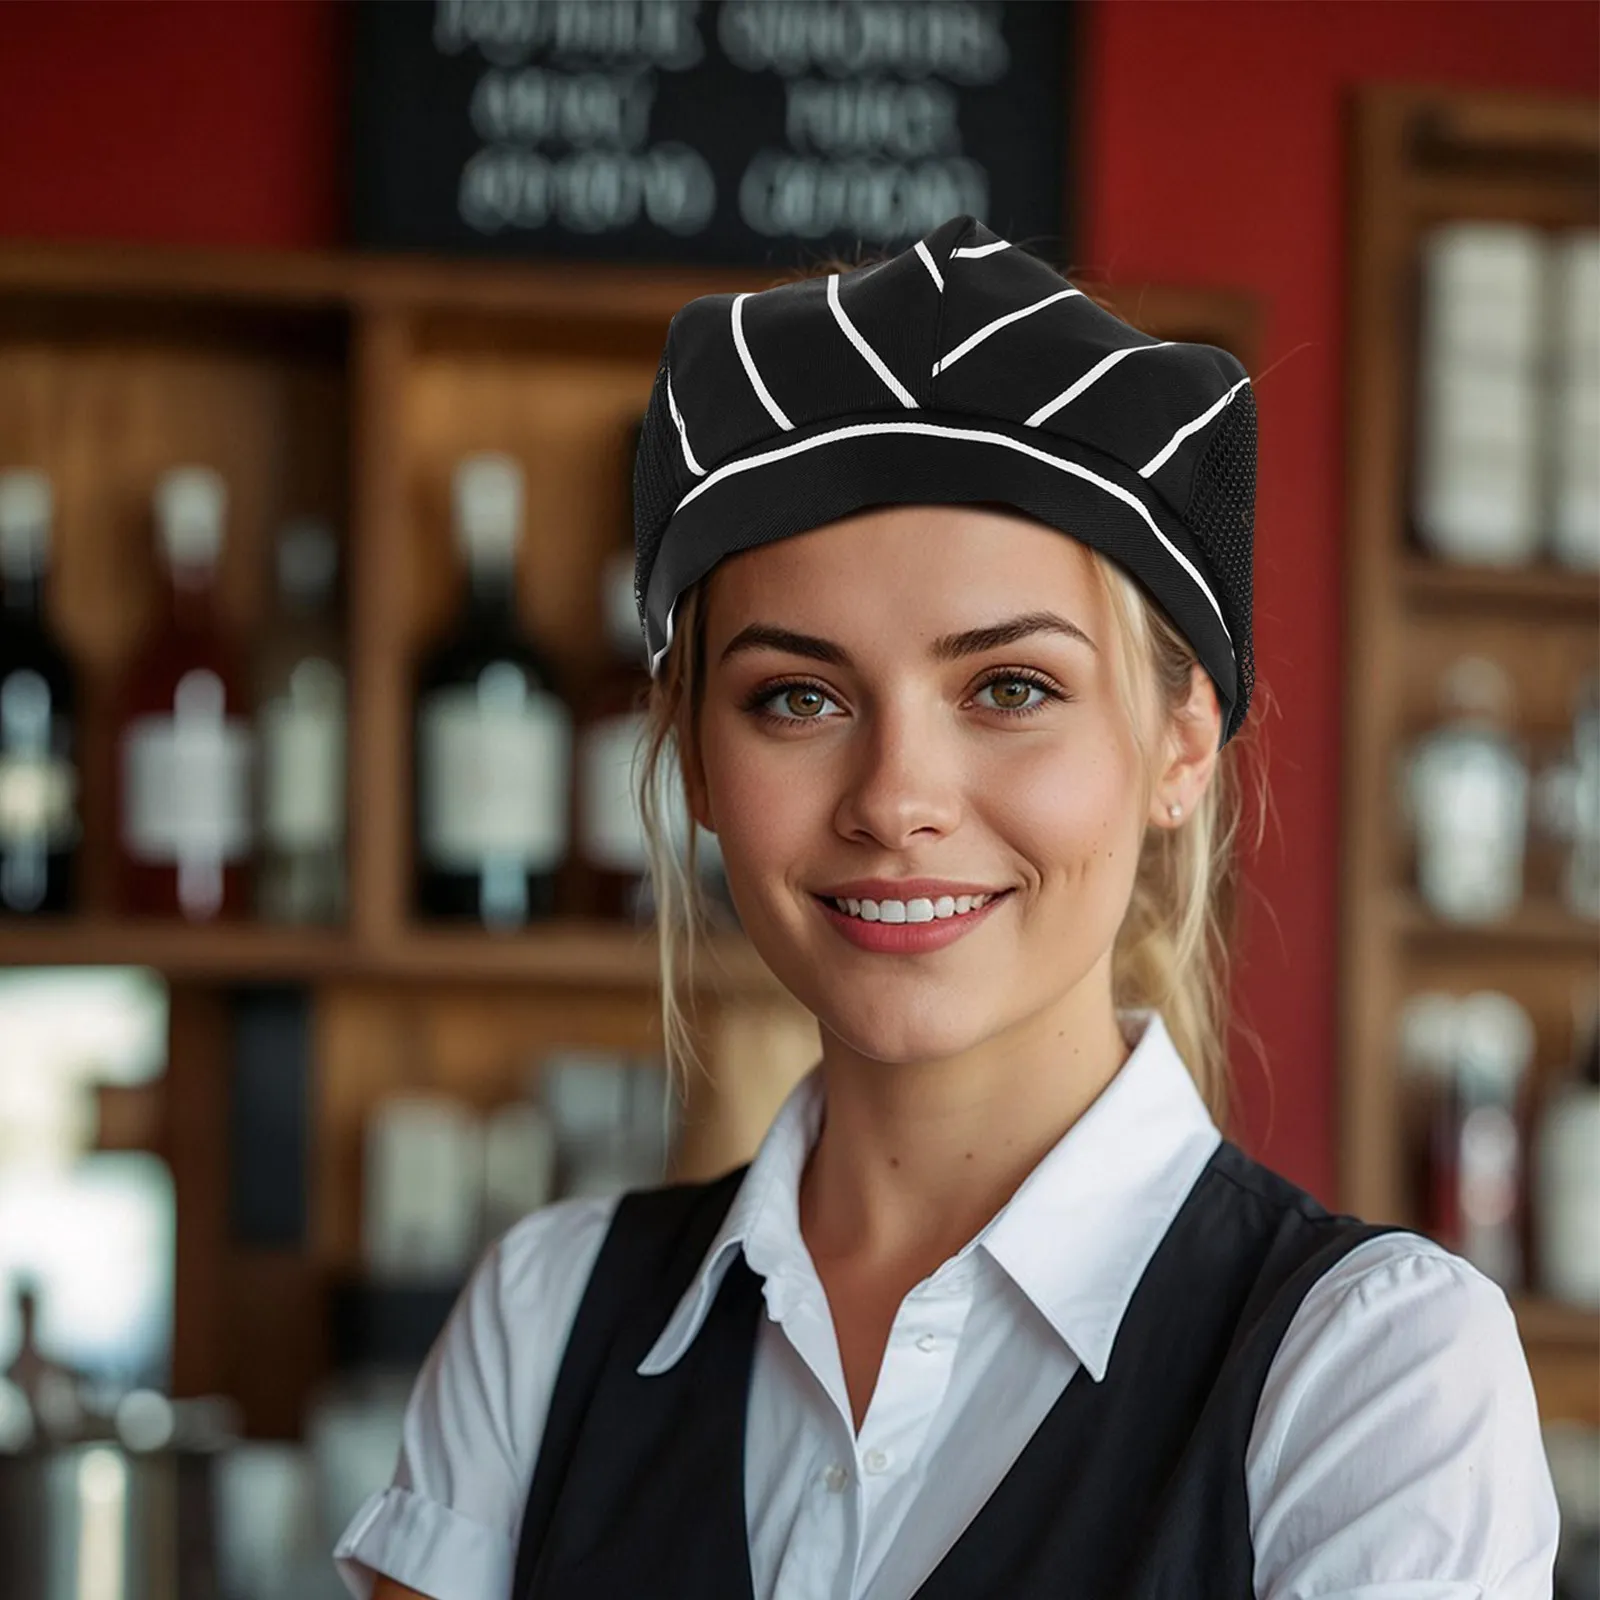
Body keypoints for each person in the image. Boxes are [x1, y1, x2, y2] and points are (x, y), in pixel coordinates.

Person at [336, 214, 1559, 1600]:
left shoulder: (1373, 1375)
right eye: (797, 696)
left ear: (1179, 744)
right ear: (688, 756)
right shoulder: (542, 1320)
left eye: (1009, 689)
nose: (895, 798)